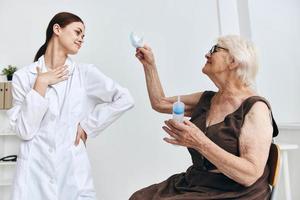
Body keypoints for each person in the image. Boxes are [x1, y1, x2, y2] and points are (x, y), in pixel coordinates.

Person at [130, 35, 278, 200]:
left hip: (234, 191)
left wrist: (199, 142)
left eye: (215, 49)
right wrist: (149, 65)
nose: (207, 55)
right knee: (139, 197)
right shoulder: (208, 100)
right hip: (199, 182)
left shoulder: (255, 108)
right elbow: (160, 102)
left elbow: (249, 175)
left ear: (233, 61)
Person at [8, 12, 134, 200]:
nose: (81, 39)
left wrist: (87, 126)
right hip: (33, 178)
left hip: (72, 174)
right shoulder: (24, 77)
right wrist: (41, 83)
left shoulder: (85, 74)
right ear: (57, 29)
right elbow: (25, 131)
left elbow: (125, 98)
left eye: (83, 36)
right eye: (77, 32)